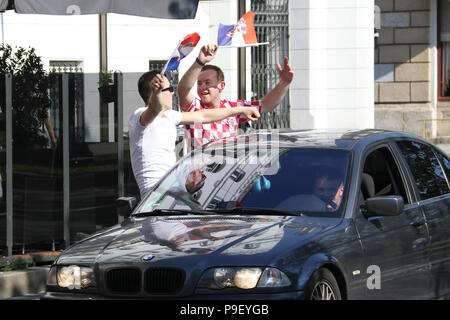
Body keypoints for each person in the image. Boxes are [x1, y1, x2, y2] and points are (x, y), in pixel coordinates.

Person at [128, 70, 260, 199]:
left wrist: (241, 109)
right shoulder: (139, 115)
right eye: (169, 89)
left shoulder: (170, 116)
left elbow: (203, 115)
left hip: (172, 192)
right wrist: (156, 93)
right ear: (157, 91)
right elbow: (154, 108)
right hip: (154, 198)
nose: (172, 92)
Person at [177, 43, 294, 152]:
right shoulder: (194, 107)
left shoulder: (233, 107)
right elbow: (183, 89)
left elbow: (266, 105)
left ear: (221, 86)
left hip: (226, 171)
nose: (202, 87)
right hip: (199, 172)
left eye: (208, 83)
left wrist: (284, 83)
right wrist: (200, 62)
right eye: (199, 83)